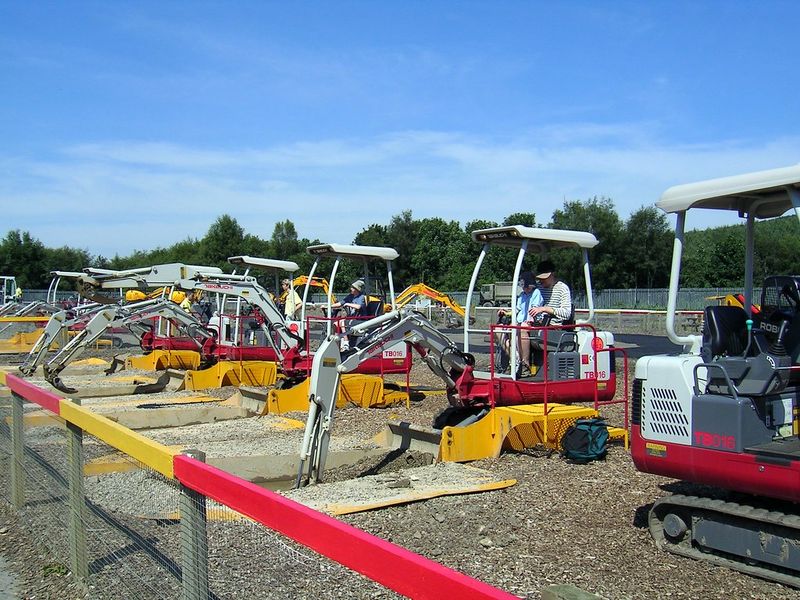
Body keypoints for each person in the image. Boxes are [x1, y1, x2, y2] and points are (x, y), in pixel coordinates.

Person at [525, 259, 573, 373]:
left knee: (523, 331)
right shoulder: (538, 288)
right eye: (540, 278)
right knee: (510, 331)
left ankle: (525, 365)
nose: (541, 281)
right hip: (539, 325)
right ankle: (518, 364)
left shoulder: (562, 288)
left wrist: (545, 309)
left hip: (555, 328)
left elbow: (567, 313)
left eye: (544, 278)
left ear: (552, 275)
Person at [496, 272, 543, 374]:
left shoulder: (536, 293)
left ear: (531, 285)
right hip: (519, 322)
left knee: (521, 328)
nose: (525, 289)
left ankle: (525, 364)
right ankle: (515, 358)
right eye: (523, 287)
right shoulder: (522, 295)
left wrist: (529, 320)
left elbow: (534, 309)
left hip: (533, 322)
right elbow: (516, 310)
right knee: (498, 329)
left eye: (527, 287)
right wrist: (506, 312)